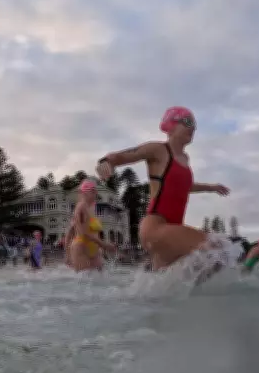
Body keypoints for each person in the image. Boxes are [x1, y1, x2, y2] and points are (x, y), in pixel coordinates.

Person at [96, 106, 230, 271]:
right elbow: (124, 155)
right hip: (156, 228)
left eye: (194, 124)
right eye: (187, 122)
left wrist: (211, 187)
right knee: (218, 249)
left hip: (171, 231)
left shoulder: (185, 158)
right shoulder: (158, 150)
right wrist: (106, 162)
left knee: (168, 290)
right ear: (171, 125)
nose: (192, 127)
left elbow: (185, 187)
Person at [68, 180, 116, 272]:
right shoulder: (81, 208)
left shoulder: (92, 208)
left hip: (94, 248)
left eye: (96, 191)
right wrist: (104, 245)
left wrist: (102, 246)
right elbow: (83, 233)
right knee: (84, 282)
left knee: (100, 281)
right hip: (81, 247)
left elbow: (94, 232)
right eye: (93, 191)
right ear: (85, 192)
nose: (96, 193)